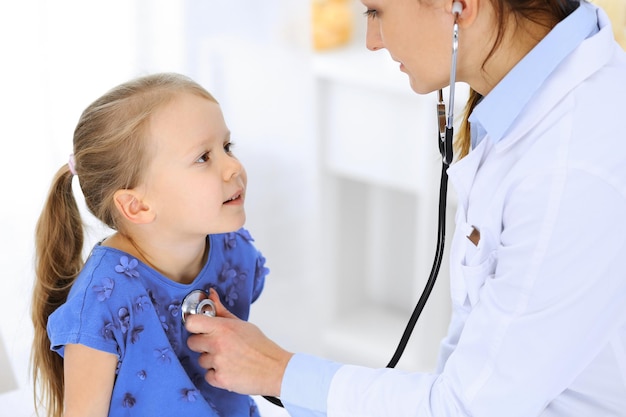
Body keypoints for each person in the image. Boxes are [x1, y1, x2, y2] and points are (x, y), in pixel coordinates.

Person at [184, 0, 626, 416]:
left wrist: (276, 371)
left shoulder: (569, 171)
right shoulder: (533, 96)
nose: (372, 40)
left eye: (377, 12)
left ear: (460, 6)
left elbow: (468, 408)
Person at [31, 72, 269, 417]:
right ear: (137, 205)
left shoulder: (234, 250)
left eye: (227, 147)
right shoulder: (102, 302)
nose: (234, 167)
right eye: (203, 157)